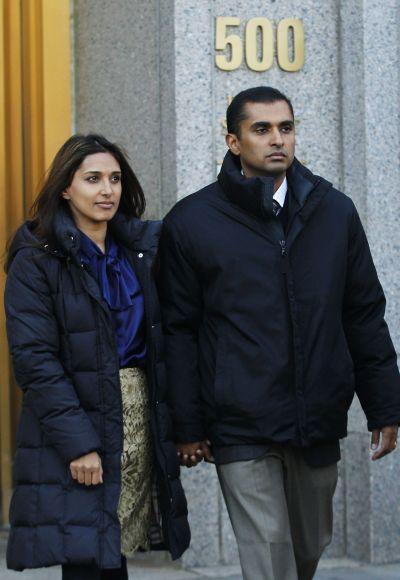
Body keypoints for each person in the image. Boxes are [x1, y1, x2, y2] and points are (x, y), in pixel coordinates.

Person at [159, 87, 400, 580]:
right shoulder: (192, 221)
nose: (277, 140)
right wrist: (188, 425)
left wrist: (386, 405)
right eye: (261, 129)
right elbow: (178, 332)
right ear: (233, 140)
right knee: (269, 561)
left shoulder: (335, 211)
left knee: (308, 548)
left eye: (285, 128)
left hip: (316, 417)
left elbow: (363, 314)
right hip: (240, 422)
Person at [5, 134, 190, 579]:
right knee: (88, 554)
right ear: (65, 188)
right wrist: (79, 443)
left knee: (115, 545)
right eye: (93, 179)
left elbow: (172, 340)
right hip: (80, 418)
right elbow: (35, 359)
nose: (107, 190)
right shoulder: (37, 258)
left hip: (138, 415)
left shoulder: (141, 250)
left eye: (114, 179)